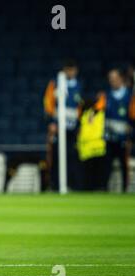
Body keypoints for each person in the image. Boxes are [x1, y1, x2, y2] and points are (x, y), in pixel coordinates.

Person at [44, 59, 83, 191]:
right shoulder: (55, 84)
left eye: (72, 69)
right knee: (56, 156)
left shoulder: (79, 85)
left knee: (72, 156)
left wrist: (79, 125)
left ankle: (72, 185)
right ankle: (55, 185)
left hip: (72, 128)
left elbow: (80, 108)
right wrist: (52, 123)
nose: (70, 72)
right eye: (68, 69)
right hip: (58, 127)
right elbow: (48, 105)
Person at [96, 69, 135, 192]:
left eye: (114, 78)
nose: (112, 81)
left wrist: (131, 136)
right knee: (106, 165)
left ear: (121, 79)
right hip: (109, 137)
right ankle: (104, 188)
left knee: (124, 164)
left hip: (124, 138)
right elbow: (97, 109)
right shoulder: (106, 95)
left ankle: (125, 189)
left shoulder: (130, 96)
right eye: (110, 79)